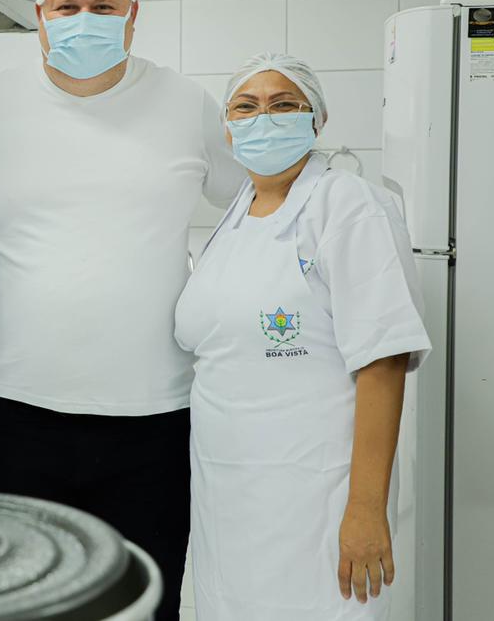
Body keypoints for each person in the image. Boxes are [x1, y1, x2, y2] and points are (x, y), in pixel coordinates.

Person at [0, 0, 244, 619]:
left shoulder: (186, 105)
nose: (85, 19)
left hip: (155, 418)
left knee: (141, 602)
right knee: (17, 603)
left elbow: (259, 201)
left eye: (104, 6)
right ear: (40, 17)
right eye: (67, 5)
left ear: (134, 17)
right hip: (12, 412)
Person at [174, 53, 432, 620]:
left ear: (317, 119)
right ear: (227, 127)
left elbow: (384, 361)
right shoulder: (237, 214)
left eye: (283, 104)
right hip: (230, 500)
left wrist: (365, 509)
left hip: (320, 498)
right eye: (246, 107)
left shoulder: (347, 203)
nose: (263, 118)